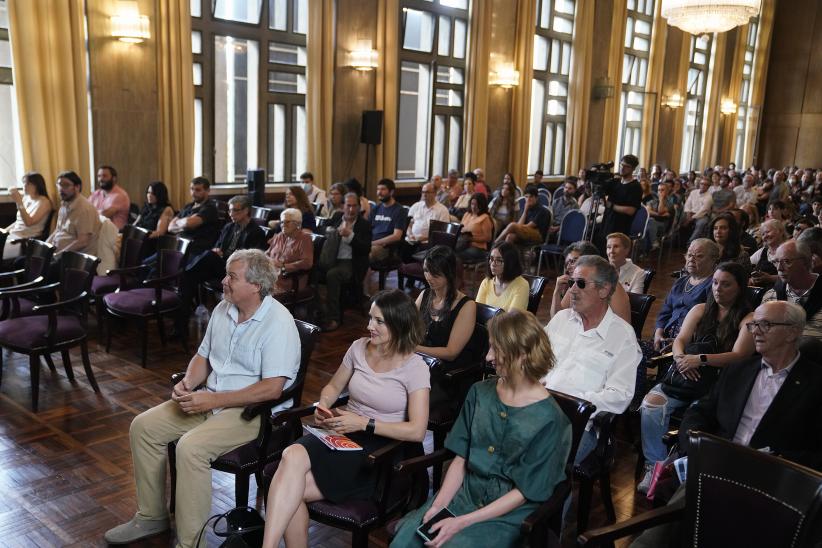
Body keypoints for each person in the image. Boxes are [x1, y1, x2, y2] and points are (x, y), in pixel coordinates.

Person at [104, 249, 301, 548]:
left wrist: (213, 399)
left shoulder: (278, 322)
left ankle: (189, 543)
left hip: (252, 412)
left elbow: (273, 389)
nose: (223, 281)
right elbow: (203, 357)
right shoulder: (224, 308)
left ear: (256, 285)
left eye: (231, 277)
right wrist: (187, 382)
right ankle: (151, 516)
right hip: (210, 398)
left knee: (190, 448)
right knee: (143, 427)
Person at [630, 301, 822, 548]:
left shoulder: (815, 383)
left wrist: (779, 459)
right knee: (669, 521)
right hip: (719, 463)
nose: (756, 331)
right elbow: (700, 411)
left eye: (766, 324)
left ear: (794, 332)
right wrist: (696, 443)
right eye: (754, 325)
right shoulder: (740, 370)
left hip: (774, 479)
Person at [261, 289, 429, 548]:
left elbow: (417, 430)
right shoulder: (359, 347)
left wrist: (363, 423)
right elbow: (332, 387)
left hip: (378, 447)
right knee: (291, 456)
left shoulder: (415, 367)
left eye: (378, 321)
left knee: (288, 491)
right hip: (342, 432)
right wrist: (324, 405)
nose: (369, 326)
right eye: (370, 318)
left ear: (399, 324)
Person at [391, 310, 572, 548]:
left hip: (507, 513)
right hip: (465, 493)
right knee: (407, 540)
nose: (488, 357)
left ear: (522, 355)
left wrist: (462, 522)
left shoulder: (552, 420)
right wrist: (439, 505)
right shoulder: (479, 392)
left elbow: (526, 491)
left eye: (496, 349)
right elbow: (460, 458)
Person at [637, 262, 755, 493]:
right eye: (715, 283)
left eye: (726, 284)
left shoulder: (748, 318)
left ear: (740, 287)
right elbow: (680, 340)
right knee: (649, 405)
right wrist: (681, 359)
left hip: (718, 384)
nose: (718, 288)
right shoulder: (700, 309)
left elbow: (740, 355)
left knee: (696, 417)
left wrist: (700, 359)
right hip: (685, 376)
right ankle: (655, 464)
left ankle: (681, 467)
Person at [542, 255, 641, 463]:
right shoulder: (561, 319)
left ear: (604, 290)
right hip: (534, 408)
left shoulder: (622, 337)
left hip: (576, 425)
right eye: (571, 283)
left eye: (580, 284)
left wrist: (571, 404)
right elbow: (534, 360)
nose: (572, 290)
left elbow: (619, 395)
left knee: (539, 460)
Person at [173, 195, 267, 339]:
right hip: (222, 265)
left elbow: (253, 259)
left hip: (239, 271)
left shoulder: (256, 232)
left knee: (202, 261)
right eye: (230, 211)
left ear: (246, 211)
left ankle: (183, 273)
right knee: (188, 281)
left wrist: (228, 256)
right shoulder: (229, 226)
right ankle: (180, 328)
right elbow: (218, 245)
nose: (231, 214)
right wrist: (216, 249)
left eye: (235, 211)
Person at [416, 246, 478, 371]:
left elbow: (451, 353)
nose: (428, 277)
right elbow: (407, 324)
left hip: (444, 369)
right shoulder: (425, 294)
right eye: (426, 271)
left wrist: (414, 348)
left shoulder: (467, 305)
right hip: (422, 361)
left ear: (449, 273)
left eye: (435, 274)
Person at [317, 193, 372, 332]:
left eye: (354, 206)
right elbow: (322, 228)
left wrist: (350, 235)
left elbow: (366, 249)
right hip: (332, 258)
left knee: (332, 275)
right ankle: (319, 312)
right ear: (343, 206)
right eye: (348, 206)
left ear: (359, 207)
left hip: (350, 263)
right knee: (314, 271)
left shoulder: (364, 225)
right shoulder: (337, 217)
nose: (351, 209)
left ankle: (334, 318)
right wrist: (329, 230)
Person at [653, 239, 720, 352]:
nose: (691, 260)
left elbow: (710, 322)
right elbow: (665, 312)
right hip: (664, 339)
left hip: (690, 346)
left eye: (699, 256)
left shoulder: (714, 285)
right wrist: (658, 333)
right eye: (689, 255)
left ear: (713, 260)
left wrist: (681, 343)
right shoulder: (680, 282)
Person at [551, 241, 632, 323]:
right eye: (567, 263)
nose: (568, 267)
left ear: (591, 260)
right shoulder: (575, 285)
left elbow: (623, 327)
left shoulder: (612, 287)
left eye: (573, 261)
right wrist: (557, 292)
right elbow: (556, 320)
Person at [761, 240, 822, 339]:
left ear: (806, 262)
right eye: (776, 262)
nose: (779, 268)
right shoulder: (771, 296)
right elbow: (762, 333)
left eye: (786, 261)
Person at [46, 171, 102, 257]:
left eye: (66, 185)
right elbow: (57, 231)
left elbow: (82, 242)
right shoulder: (64, 205)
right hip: (58, 253)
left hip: (75, 258)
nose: (61, 188)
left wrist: (58, 256)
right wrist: (44, 247)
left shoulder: (84, 209)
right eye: (59, 185)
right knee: (26, 260)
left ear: (77, 187)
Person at [594, 154, 641, 253]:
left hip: (620, 227)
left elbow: (630, 210)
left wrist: (612, 206)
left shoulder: (635, 187)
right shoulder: (615, 182)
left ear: (632, 169)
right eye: (621, 165)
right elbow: (601, 190)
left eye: (626, 166)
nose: (622, 168)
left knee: (613, 256)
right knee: (601, 251)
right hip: (607, 223)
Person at [167, 176, 220, 256]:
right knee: (147, 263)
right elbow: (170, 227)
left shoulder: (210, 208)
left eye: (198, 190)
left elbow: (189, 223)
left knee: (158, 265)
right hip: (179, 247)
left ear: (208, 191)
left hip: (195, 251)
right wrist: (185, 223)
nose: (193, 193)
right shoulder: (188, 206)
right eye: (191, 189)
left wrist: (181, 222)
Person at [4, 172, 52, 259]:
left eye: (28, 183)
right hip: (13, 235)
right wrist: (4, 231)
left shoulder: (44, 202)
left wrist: (19, 202)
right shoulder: (26, 198)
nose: (25, 186)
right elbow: (18, 222)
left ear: (37, 185)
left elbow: (28, 222)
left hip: (23, 241)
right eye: (24, 183)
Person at [266, 208, 314, 294]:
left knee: (257, 293)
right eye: (282, 222)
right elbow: (268, 253)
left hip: (289, 280)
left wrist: (285, 266)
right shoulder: (279, 236)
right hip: (270, 276)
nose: (283, 225)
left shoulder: (305, 238)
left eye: (287, 222)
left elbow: (307, 262)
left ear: (298, 224)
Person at [476, 242, 530, 311]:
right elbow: (477, 311)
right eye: (491, 258)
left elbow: (512, 318)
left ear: (510, 263)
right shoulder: (486, 282)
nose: (493, 264)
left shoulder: (522, 284)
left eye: (499, 260)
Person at [404, 181, 450, 258]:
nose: (424, 194)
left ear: (435, 193)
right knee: (401, 246)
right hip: (411, 240)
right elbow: (408, 225)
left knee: (416, 251)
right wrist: (410, 234)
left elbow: (442, 232)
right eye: (423, 192)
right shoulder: (416, 206)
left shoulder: (442, 210)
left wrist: (423, 238)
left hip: (428, 242)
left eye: (428, 192)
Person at [369, 178, 408, 262]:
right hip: (371, 243)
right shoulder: (375, 209)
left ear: (391, 192)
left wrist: (374, 243)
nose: (379, 192)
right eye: (378, 189)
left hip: (386, 248)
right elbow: (367, 229)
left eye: (383, 189)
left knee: (364, 254)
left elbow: (396, 236)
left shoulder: (399, 210)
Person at [89, 165, 131, 230]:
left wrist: (92, 212)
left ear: (114, 178)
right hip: (97, 231)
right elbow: (85, 210)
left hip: (114, 234)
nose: (101, 179)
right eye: (99, 176)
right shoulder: (96, 193)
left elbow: (104, 216)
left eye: (104, 176)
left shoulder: (120, 195)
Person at [457, 193, 494, 264]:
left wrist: (471, 239)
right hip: (463, 243)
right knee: (448, 251)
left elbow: (488, 238)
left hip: (478, 248)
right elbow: (460, 229)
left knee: (457, 255)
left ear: (482, 205)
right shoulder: (467, 214)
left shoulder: (485, 218)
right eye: (472, 204)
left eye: (477, 205)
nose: (474, 207)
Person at [749, 219, 788, 287]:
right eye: (763, 234)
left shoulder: (790, 250)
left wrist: (770, 278)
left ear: (780, 231)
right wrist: (752, 279)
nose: (765, 236)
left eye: (768, 232)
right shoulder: (762, 251)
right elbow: (747, 264)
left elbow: (795, 275)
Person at [682, 177, 713, 243]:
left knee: (701, 223)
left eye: (706, 184)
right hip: (690, 213)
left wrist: (690, 218)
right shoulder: (693, 192)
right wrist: (688, 215)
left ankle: (690, 243)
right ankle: (678, 241)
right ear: (699, 184)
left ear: (708, 186)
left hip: (702, 216)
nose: (703, 186)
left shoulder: (709, 197)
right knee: (680, 219)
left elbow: (703, 211)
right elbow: (688, 204)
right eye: (702, 183)